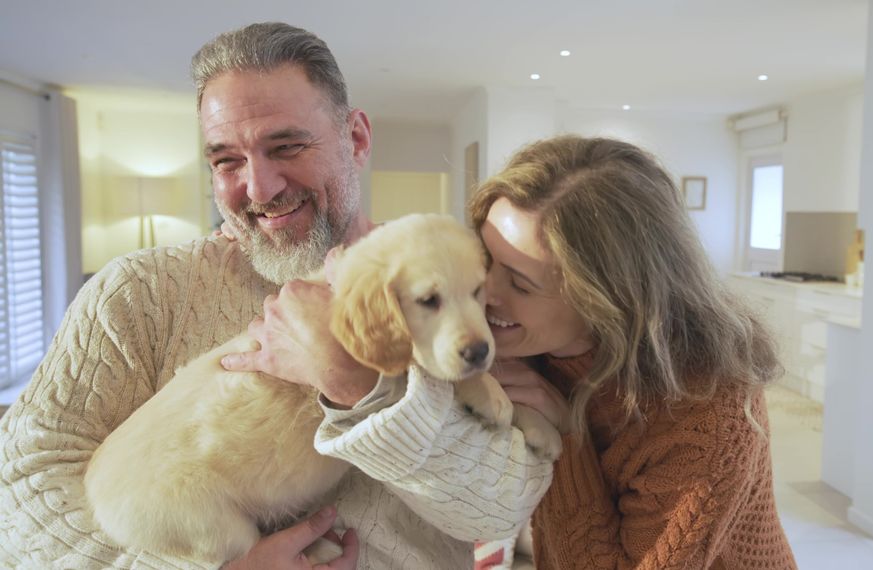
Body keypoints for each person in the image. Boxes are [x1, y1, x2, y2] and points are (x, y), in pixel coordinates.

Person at [0, 22, 552, 569]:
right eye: (225, 160)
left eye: (286, 146)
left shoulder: (465, 295)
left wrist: (358, 385)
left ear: (355, 138)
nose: (259, 188)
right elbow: (21, 489)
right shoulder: (137, 293)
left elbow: (504, 510)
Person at [470, 136, 799, 569]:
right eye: (485, 258)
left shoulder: (706, 413)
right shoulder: (524, 347)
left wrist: (566, 437)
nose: (485, 289)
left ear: (605, 298)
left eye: (519, 282)